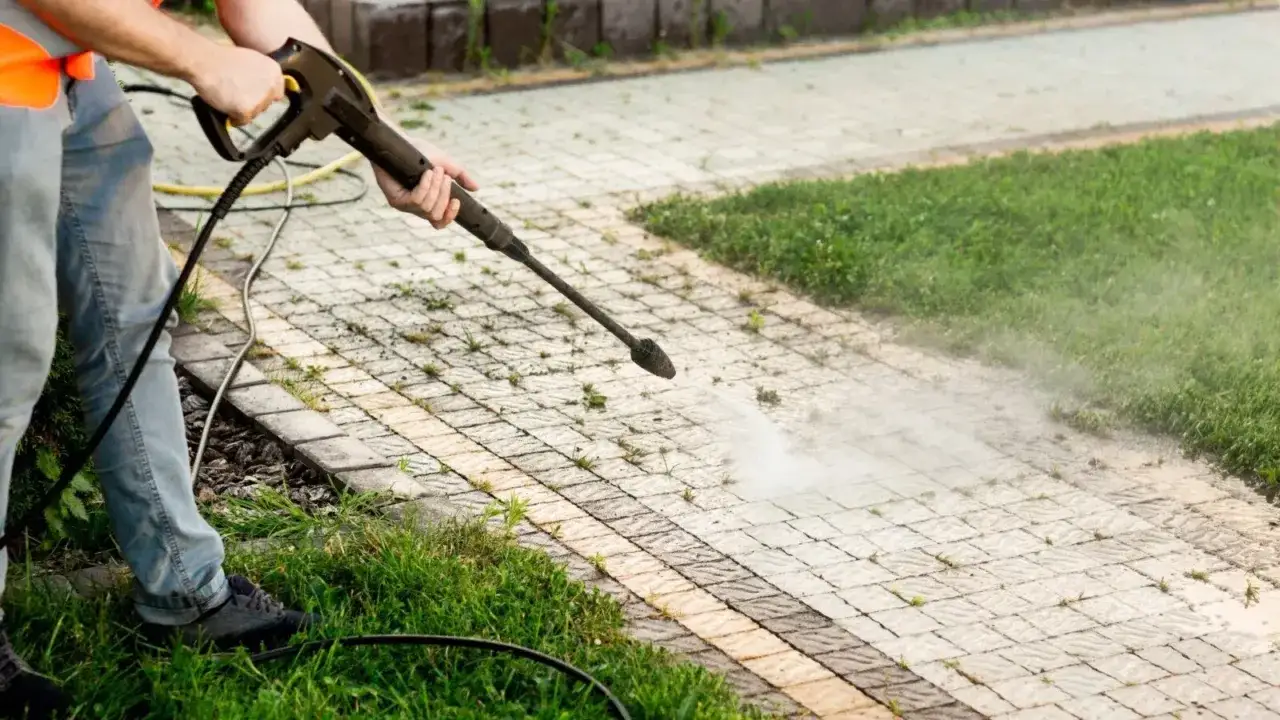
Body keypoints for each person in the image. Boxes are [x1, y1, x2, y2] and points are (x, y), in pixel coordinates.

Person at [0, 0, 479, 716]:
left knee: (135, 314)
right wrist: (201, 59)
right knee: (8, 359)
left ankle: (185, 589)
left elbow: (258, 6)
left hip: (69, 58)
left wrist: (384, 143)